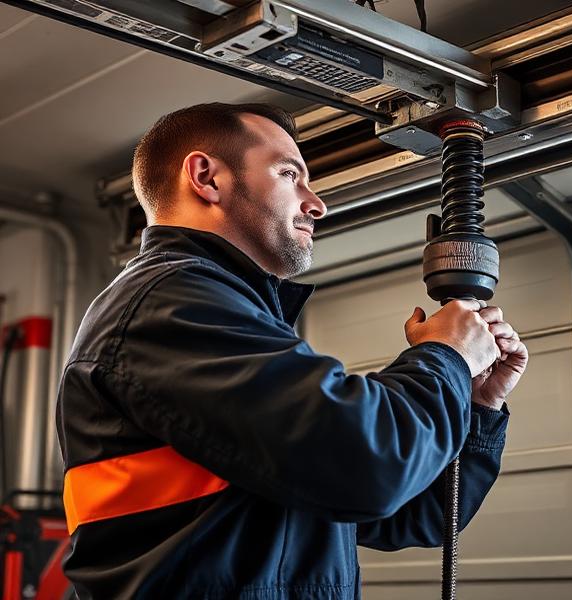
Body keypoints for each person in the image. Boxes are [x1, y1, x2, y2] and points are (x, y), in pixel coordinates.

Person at [57, 102, 528, 599]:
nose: (316, 203)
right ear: (206, 177)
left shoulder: (230, 316)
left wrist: (475, 403)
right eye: (290, 174)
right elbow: (369, 470)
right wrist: (445, 357)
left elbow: (417, 514)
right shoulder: (170, 305)